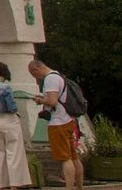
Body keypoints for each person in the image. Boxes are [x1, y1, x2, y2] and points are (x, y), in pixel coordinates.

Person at [28, 57, 84, 190]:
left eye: (34, 74)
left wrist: (40, 101)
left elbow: (52, 102)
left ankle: (69, 187)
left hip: (59, 122)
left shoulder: (50, 79)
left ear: (37, 68)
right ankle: (79, 187)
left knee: (66, 158)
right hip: (69, 120)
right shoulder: (59, 76)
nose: (36, 78)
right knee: (74, 157)